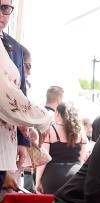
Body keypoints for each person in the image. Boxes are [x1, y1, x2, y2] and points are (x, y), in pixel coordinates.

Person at [0, 14, 49, 192]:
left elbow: (20, 92)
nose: (1, 13)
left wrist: (22, 140)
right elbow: (5, 93)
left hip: (6, 146)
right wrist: (43, 118)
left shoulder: (16, 47)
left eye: (5, 8)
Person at [36, 102, 89, 194]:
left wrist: (37, 181)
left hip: (53, 176)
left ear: (57, 113)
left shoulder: (50, 129)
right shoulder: (80, 132)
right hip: (75, 176)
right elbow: (82, 159)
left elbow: (43, 160)